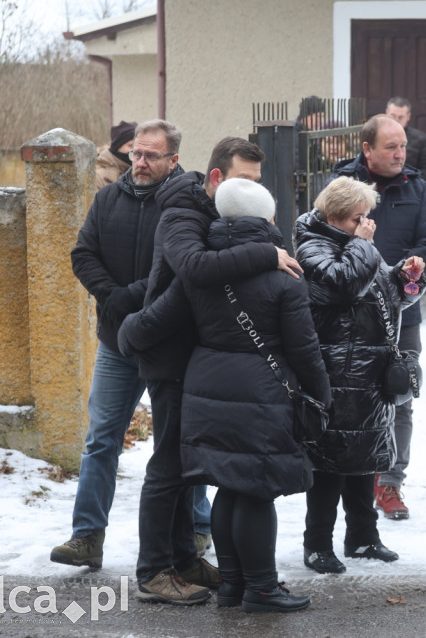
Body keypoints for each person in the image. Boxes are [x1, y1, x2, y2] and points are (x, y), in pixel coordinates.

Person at [119, 136, 301, 605]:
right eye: (244, 180)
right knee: (168, 467)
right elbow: (194, 268)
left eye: (257, 183)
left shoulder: (218, 213)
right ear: (217, 179)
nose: (251, 191)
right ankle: (155, 571)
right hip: (171, 357)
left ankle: (184, 560)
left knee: (189, 467)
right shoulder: (183, 213)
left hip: (199, 362)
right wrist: (265, 254)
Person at [152, 178, 329, 612]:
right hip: (260, 393)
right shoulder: (284, 278)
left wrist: (127, 336)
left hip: (206, 385)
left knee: (230, 488)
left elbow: (157, 317)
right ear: (265, 220)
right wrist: (321, 396)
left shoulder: (201, 271)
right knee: (255, 491)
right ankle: (263, 589)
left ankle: (232, 585)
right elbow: (304, 351)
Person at [56, 119, 186, 571]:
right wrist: (113, 298)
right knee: (100, 440)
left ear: (173, 159)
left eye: (152, 155)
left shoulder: (187, 203)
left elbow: (181, 263)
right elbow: (82, 254)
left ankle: (197, 534)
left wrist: (130, 297)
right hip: (116, 341)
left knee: (180, 443)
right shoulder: (108, 198)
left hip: (168, 343)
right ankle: (86, 536)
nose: (141, 162)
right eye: (136, 154)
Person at [294, 176, 426, 574]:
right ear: (336, 216)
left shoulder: (355, 244)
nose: (366, 223)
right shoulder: (312, 246)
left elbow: (382, 293)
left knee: (365, 459)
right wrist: (363, 245)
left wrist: (406, 278)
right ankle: (317, 544)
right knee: (328, 467)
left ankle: (363, 538)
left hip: (368, 375)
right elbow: (345, 284)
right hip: (334, 373)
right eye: (359, 218)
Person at [331, 115, 426, 521]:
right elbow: (324, 241)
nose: (400, 154)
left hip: (402, 313)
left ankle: (391, 482)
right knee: (352, 400)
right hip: (352, 314)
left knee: (400, 395)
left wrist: (417, 265)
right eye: (391, 147)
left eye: (403, 147)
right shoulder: (341, 186)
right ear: (367, 149)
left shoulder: (415, 186)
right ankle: (352, 483)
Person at [386, 96, 426, 183]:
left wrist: (411, 184)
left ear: (408, 117)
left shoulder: (421, 138)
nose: (396, 120)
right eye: (393, 116)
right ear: (386, 113)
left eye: (401, 117)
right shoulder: (377, 136)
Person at [95, 120, 136, 190]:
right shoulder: (98, 177)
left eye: (138, 145)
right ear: (118, 146)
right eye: (131, 145)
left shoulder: (143, 173)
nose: (135, 150)